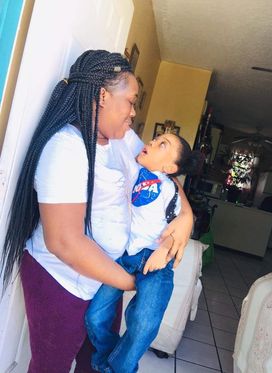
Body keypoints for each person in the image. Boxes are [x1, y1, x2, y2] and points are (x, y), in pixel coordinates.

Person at [0, 50, 193, 373]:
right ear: (103, 96)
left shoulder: (121, 140)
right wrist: (133, 282)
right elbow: (65, 242)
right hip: (63, 281)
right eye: (131, 101)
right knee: (52, 367)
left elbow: (164, 177)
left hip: (104, 278)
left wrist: (186, 217)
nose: (133, 112)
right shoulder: (67, 148)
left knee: (97, 364)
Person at [85, 133, 201, 373]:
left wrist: (165, 250)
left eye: (162, 145)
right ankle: (106, 360)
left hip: (156, 261)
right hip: (125, 257)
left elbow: (177, 227)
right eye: (156, 138)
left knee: (145, 323)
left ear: (169, 167)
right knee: (95, 317)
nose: (151, 143)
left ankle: (118, 369)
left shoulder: (170, 189)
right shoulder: (131, 166)